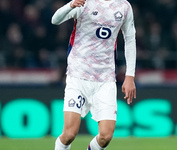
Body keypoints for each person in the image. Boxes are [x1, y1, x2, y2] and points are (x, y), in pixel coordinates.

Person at [51, 0, 136, 149]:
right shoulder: (84, 2)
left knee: (105, 137)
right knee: (69, 134)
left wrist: (130, 76)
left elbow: (130, 39)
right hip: (78, 75)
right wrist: (70, 5)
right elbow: (55, 20)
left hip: (106, 79)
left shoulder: (124, 6)